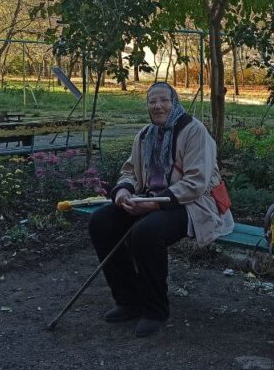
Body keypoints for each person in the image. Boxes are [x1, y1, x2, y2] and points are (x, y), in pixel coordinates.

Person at [88, 82, 234, 337]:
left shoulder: (194, 131)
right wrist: (123, 192)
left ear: (174, 102)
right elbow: (130, 171)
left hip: (194, 205)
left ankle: (155, 310)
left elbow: (196, 183)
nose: (157, 106)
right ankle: (129, 300)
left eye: (163, 101)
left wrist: (154, 204)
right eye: (152, 102)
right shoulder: (145, 135)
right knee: (101, 222)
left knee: (146, 232)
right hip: (150, 200)